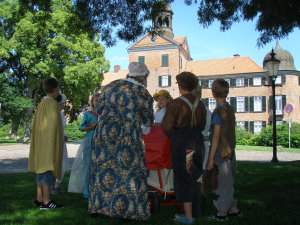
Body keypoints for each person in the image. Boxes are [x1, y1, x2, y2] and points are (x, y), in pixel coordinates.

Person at [88, 62, 154, 222]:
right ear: (142, 76)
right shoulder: (142, 92)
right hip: (127, 134)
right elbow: (147, 119)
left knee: (102, 168)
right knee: (127, 170)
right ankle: (126, 210)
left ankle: (97, 206)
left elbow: (98, 109)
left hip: (104, 134)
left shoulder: (110, 86)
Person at [162, 72, 207, 224]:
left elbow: (167, 126)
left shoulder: (175, 103)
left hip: (183, 144)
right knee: (196, 175)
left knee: (185, 176)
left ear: (180, 86)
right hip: (198, 142)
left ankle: (188, 217)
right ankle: (196, 211)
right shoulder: (200, 103)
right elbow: (201, 125)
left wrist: (174, 138)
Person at [206, 78, 240, 220]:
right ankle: (233, 208)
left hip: (221, 152)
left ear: (213, 92)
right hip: (231, 151)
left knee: (220, 184)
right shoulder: (230, 109)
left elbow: (216, 137)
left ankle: (222, 213)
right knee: (229, 182)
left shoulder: (218, 112)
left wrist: (210, 158)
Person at [28, 77, 63, 210]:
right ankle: (47, 201)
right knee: (48, 170)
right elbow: (54, 126)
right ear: (54, 89)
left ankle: (39, 198)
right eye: (58, 88)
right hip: (49, 143)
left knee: (41, 171)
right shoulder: (53, 104)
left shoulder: (41, 104)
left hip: (41, 143)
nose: (59, 90)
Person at [80, 93, 99, 198]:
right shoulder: (88, 114)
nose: (97, 102)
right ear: (92, 102)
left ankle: (97, 188)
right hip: (89, 140)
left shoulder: (104, 114)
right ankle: (86, 190)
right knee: (87, 165)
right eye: (96, 100)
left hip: (101, 141)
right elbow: (82, 128)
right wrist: (92, 126)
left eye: (99, 100)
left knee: (99, 165)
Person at [51, 94, 70, 195]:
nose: (63, 105)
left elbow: (61, 129)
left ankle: (57, 185)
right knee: (52, 162)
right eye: (62, 103)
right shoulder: (51, 114)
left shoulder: (61, 114)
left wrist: (64, 135)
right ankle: (51, 185)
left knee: (61, 162)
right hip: (53, 142)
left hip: (61, 142)